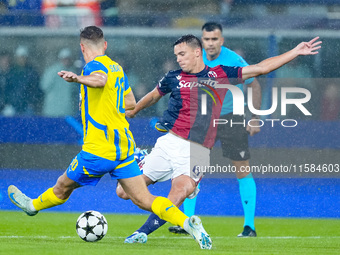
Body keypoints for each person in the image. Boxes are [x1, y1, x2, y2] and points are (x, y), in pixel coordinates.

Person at [7, 26, 212, 250]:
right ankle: (187, 222)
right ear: (105, 45)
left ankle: (32, 205)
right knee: (144, 199)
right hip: (123, 147)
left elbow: (99, 80)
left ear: (82, 47)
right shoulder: (117, 68)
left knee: (62, 187)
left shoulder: (93, 66)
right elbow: (131, 103)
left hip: (98, 149)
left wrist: (78, 78)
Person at [117, 34, 321, 243]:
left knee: (177, 195)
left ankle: (141, 233)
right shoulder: (173, 77)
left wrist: (295, 52)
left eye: (182, 54)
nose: (178, 59)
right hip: (168, 143)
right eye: (176, 55)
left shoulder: (220, 74)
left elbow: (261, 68)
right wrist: (132, 111)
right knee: (123, 191)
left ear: (197, 52)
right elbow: (153, 95)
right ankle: (143, 159)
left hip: (197, 151)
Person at [169, 22, 261, 237]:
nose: (210, 43)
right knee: (192, 170)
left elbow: (254, 84)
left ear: (222, 40)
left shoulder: (232, 60)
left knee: (242, 169)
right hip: (204, 120)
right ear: (201, 42)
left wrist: (255, 118)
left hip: (231, 118)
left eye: (214, 39)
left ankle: (249, 227)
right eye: (206, 39)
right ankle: (187, 222)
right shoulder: (195, 59)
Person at [40, 48, 79, 117]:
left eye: (68, 59)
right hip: (53, 111)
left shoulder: (73, 73)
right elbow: (44, 86)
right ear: (60, 59)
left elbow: (75, 91)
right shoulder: (52, 71)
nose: (66, 61)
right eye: (64, 59)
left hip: (67, 111)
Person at [5, 45, 42, 115]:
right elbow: (7, 89)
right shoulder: (11, 72)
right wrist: (8, 102)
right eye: (20, 57)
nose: (22, 59)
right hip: (13, 106)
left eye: (24, 57)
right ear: (17, 58)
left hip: (27, 106)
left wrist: (32, 102)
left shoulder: (32, 72)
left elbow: (36, 89)